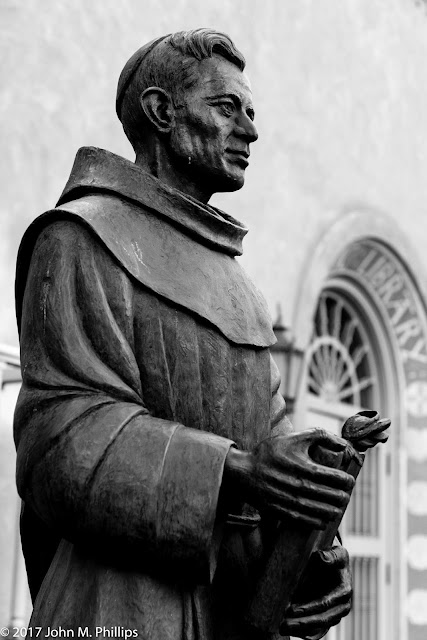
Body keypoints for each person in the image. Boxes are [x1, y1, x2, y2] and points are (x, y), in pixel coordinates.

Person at [14, 29, 354, 640]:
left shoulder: (238, 284)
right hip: (116, 608)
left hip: (227, 610)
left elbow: (270, 439)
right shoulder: (81, 238)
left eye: (251, 114)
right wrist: (237, 469)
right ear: (161, 112)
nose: (249, 131)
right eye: (226, 108)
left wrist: (312, 548)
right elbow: (59, 442)